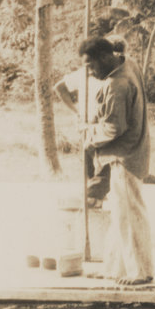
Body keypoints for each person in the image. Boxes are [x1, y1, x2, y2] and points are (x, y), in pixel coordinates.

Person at [80, 36, 152, 286]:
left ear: (104, 58)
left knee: (129, 214)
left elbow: (113, 128)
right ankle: (114, 268)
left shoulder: (115, 85)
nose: (89, 71)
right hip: (134, 149)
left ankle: (139, 272)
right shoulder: (129, 63)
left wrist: (88, 134)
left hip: (125, 155)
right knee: (120, 213)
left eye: (90, 65)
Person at [55, 65, 110, 206]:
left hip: (103, 123)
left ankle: (94, 195)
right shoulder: (82, 74)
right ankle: (92, 196)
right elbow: (59, 88)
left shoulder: (111, 75)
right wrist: (76, 111)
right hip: (87, 122)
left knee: (105, 159)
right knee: (89, 157)